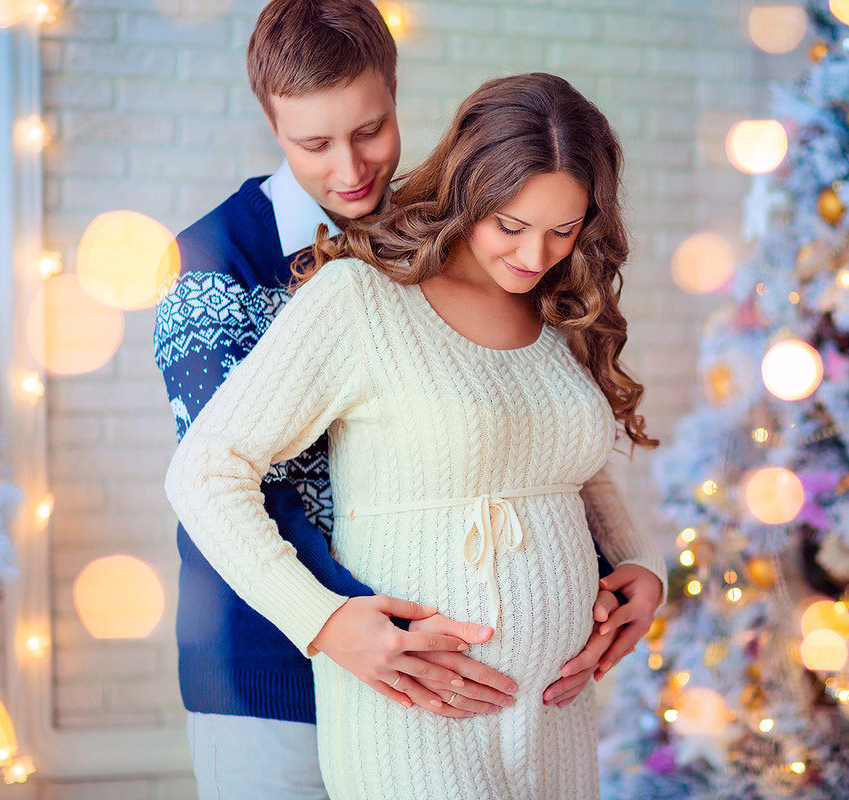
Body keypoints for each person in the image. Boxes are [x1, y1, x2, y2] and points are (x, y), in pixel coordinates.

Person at [153, 2, 662, 797]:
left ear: (397, 96)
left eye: (371, 130)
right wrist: (336, 625)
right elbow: (233, 477)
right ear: (271, 121)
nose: (352, 168)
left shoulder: (447, 249)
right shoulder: (216, 268)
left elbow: (527, 437)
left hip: (490, 699)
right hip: (275, 668)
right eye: (315, 143)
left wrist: (626, 563)